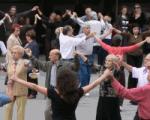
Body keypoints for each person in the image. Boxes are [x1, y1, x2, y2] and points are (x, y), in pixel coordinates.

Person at [10, 66, 111, 120]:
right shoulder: (77, 92)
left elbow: (34, 86)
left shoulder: (54, 93)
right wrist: (104, 74)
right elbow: (94, 84)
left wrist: (17, 79)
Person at [25, 48, 79, 120]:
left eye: (50, 55)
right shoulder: (49, 64)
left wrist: (76, 57)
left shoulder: (66, 64)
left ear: (57, 56)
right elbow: (39, 63)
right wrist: (31, 56)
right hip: (51, 91)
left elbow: (76, 67)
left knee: (64, 111)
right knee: (47, 111)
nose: (49, 57)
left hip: (62, 92)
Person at [5, 45, 28, 120]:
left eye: (15, 53)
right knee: (8, 109)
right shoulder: (8, 62)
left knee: (20, 111)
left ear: (20, 54)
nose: (13, 54)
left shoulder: (25, 62)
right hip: (10, 90)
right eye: (12, 53)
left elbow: (32, 67)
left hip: (21, 90)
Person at [96, 54, 122, 120]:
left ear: (113, 62)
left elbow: (106, 80)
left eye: (109, 61)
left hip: (111, 98)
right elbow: (90, 64)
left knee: (112, 116)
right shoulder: (103, 68)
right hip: (102, 96)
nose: (106, 62)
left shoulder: (116, 71)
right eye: (106, 60)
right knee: (100, 116)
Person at [24, 29, 39, 99]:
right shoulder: (28, 44)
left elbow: (35, 55)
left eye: (27, 36)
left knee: (33, 79)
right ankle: (29, 92)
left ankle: (33, 93)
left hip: (33, 64)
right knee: (28, 79)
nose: (26, 37)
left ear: (30, 36)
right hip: (28, 63)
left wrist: (33, 65)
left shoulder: (34, 44)